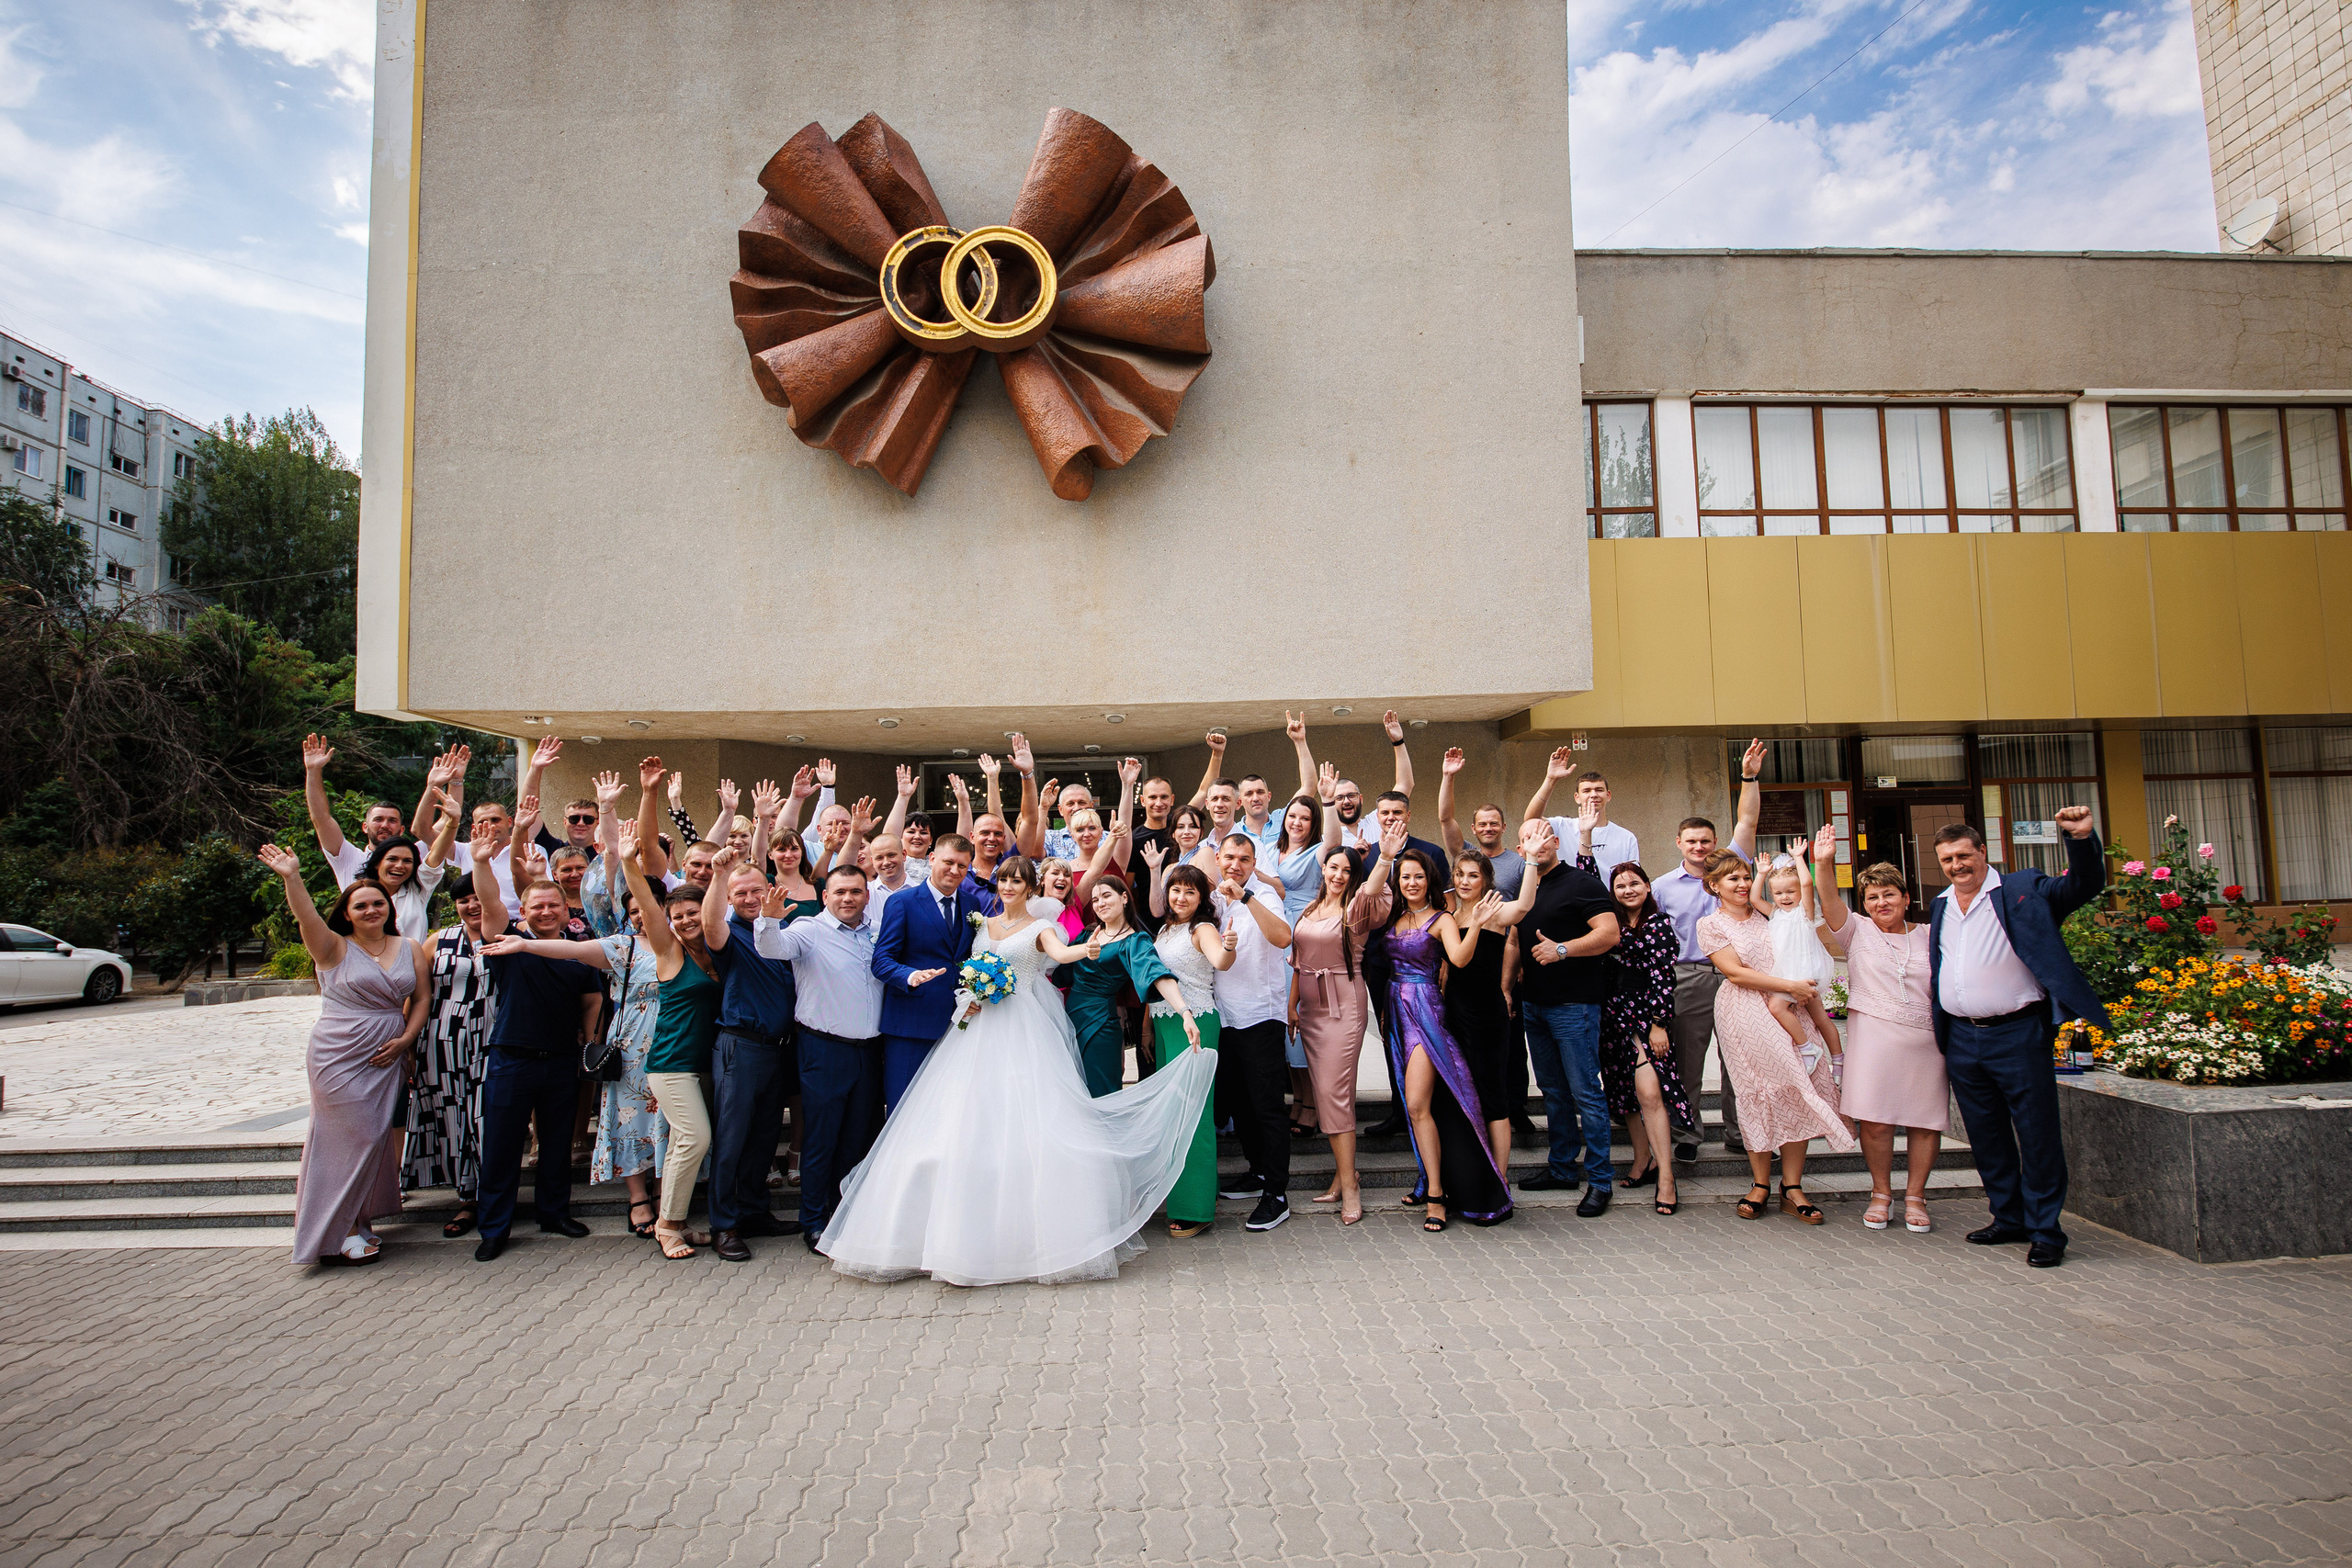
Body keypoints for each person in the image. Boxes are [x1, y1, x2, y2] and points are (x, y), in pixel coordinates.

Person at [816, 858, 1212, 1289]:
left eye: (1017, 881)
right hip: (978, 1024)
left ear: (1030, 887)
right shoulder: (981, 924)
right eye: (1003, 879)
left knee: (1033, 1116)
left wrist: (1087, 950)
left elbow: (1060, 954)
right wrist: (971, 990)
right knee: (963, 1117)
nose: (1008, 886)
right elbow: (969, 966)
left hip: (1024, 1024)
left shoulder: (1041, 926)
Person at [1927, 811, 2109, 1269]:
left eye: (1964, 855)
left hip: (2017, 1033)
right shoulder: (1942, 904)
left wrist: (2081, 838)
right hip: (1964, 1039)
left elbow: (2082, 886)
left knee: (2037, 1134)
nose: (1956, 866)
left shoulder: (2024, 890)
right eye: (1947, 859)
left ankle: (2047, 1231)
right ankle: (2008, 1217)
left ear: (1982, 852)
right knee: (1986, 1137)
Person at [258, 849, 428, 1267]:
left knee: (374, 1140)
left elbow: (422, 998)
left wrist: (406, 1040)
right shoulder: (332, 947)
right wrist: (292, 878)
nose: (371, 909)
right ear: (347, 913)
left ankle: (358, 1221)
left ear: (389, 907)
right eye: (361, 905)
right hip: (338, 1054)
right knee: (351, 1139)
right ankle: (342, 1232)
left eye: (378, 903)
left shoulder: (409, 946)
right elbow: (307, 919)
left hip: (387, 1053)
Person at [1697, 849, 1856, 1226]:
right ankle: (1760, 1183)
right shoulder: (1712, 925)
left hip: (1792, 1008)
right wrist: (1789, 986)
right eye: (1732, 879)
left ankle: (1793, 1186)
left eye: (1745, 876)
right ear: (1714, 885)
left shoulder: (1773, 912)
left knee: (1798, 1088)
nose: (1741, 884)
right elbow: (1735, 973)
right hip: (1746, 1012)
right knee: (1758, 1092)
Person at [468, 852, 605, 1261]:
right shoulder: (508, 944)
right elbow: (491, 905)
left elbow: (593, 999)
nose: (546, 912)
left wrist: (589, 1043)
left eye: (553, 906)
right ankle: (494, 1228)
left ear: (566, 910)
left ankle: (553, 1213)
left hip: (561, 1059)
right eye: (537, 907)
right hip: (512, 1058)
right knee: (502, 1146)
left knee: (557, 1143)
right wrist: (480, 864)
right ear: (523, 912)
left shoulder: (578, 952)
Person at [1812, 829, 1945, 1235]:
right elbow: (1829, 897)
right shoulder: (1854, 931)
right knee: (1876, 1122)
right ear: (1864, 905)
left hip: (1925, 1041)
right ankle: (1882, 1193)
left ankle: (1917, 1197)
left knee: (1924, 1122)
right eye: (1872, 897)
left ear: (1906, 899)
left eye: (1889, 895)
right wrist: (1824, 861)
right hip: (1873, 1040)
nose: (1881, 903)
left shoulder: (1930, 935)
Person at [753, 863, 890, 1247]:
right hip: (824, 1049)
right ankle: (813, 1220)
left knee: (857, 1140)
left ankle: (843, 1214)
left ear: (866, 895)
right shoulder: (808, 930)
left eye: (856, 892)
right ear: (825, 896)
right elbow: (771, 949)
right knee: (822, 1139)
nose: (848, 898)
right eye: (840, 892)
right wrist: (767, 919)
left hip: (870, 1052)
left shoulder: (878, 933)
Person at [1381, 846, 1513, 1230]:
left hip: (1426, 1014)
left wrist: (1475, 924)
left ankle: (1437, 1195)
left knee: (1419, 1102)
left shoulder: (1442, 919)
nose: (1411, 883)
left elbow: (1457, 960)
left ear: (1430, 881)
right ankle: (1430, 1180)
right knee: (1415, 1104)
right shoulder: (1395, 916)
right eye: (1405, 876)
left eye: (1418, 876)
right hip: (1397, 1011)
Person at [1650, 739, 1767, 1162]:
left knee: (1741, 1060)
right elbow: (1655, 941)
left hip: (1740, 976)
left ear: (1716, 841)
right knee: (1688, 1063)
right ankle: (1687, 1135)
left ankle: (1742, 1134)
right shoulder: (1661, 887)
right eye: (1692, 842)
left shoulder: (1733, 867)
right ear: (1679, 843)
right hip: (1691, 977)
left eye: (1706, 841)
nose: (1699, 848)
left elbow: (1748, 820)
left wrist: (1749, 777)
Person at [1509, 818, 1620, 1213]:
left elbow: (1609, 934)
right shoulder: (1525, 889)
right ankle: (1561, 1169)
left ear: (1556, 841)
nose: (1535, 844)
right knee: (1553, 1093)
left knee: (1586, 1093)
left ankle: (1601, 1181)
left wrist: (1563, 950)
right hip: (1534, 1005)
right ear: (1519, 850)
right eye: (1527, 839)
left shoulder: (1581, 883)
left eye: (1542, 836)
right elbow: (1513, 942)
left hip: (1574, 1005)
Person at [1292, 828, 1396, 1224]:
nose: (1338, 875)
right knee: (1329, 1094)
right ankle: (1341, 1174)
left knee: (1333, 1094)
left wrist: (1383, 859)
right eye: (1333, 867)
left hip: (1343, 1005)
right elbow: (1298, 962)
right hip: (1311, 1008)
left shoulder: (1356, 909)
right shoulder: (1309, 908)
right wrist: (1292, 1007)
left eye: (1346, 870)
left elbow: (1373, 893)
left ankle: (1351, 1187)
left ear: (1354, 876)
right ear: (1323, 869)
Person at [1585, 859, 1695, 1216]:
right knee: (1624, 1094)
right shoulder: (1611, 922)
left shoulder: (1660, 925)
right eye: (1620, 885)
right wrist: (1585, 838)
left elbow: (1664, 978)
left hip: (1646, 1016)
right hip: (1611, 1015)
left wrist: (1659, 1022)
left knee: (1650, 1093)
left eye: (1634, 883)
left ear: (1648, 887)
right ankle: (1642, 1161)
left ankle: (1666, 1178)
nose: (1627, 890)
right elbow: (1589, 880)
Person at [1205, 834, 1297, 1232]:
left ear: (1254, 861)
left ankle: (1276, 1194)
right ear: (1219, 859)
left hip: (1261, 1015)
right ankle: (1258, 1172)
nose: (1235, 864)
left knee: (1267, 1107)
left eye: (1244, 858)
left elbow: (1283, 937)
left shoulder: (1263, 895)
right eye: (1229, 857)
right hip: (1224, 1016)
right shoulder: (1213, 899)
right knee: (1239, 1104)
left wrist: (1246, 898)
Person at [871, 832, 996, 1111]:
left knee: (946, 1109)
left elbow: (966, 959)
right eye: (948, 862)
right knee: (904, 1107)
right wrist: (909, 976)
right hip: (910, 1024)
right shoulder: (902, 902)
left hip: (956, 1024)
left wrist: (972, 991)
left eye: (962, 866)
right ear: (932, 858)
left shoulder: (971, 904)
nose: (955, 871)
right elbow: (881, 961)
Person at [407, 880, 495, 1236]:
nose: (473, 905)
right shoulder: (437, 941)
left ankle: (493, 1198)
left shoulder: (505, 934)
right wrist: (408, 1044)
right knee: (454, 1117)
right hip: (443, 1043)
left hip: (492, 1041)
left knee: (487, 1117)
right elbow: (417, 995)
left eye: (478, 897)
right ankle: (466, 1200)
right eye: (464, 900)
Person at [1153, 864, 1232, 1237]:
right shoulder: (1166, 929)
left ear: (1202, 899)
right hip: (1164, 1022)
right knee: (1173, 1115)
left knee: (1195, 1115)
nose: (1180, 898)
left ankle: (1196, 1207)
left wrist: (1229, 950)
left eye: (1189, 892)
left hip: (1196, 1025)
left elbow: (1220, 961)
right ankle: (1188, 1194)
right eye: (1175, 890)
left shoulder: (1203, 929)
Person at [1064, 869, 1189, 1098]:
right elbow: (1060, 970)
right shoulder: (1086, 935)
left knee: (1100, 1092)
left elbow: (1156, 974)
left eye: (1106, 895)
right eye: (1095, 899)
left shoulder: (1134, 941)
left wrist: (1184, 1011)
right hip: (1069, 1019)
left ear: (1124, 897)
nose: (1100, 903)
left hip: (1099, 1025)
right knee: (1070, 1090)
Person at [1439, 847, 1520, 1195]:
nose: (1465, 881)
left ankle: (1500, 1180)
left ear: (1486, 879)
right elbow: (1446, 969)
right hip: (1455, 1014)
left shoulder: (1497, 913)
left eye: (1473, 875)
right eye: (1460, 875)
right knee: (1463, 1096)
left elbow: (1527, 903)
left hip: (1487, 1016)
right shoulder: (1450, 915)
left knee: (1492, 1096)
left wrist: (1529, 861)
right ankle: (1470, 1173)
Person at [1758, 852, 1843, 1071]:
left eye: (1790, 891)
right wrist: (1761, 874)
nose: (1785, 897)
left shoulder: (1804, 914)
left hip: (1805, 973)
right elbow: (1754, 899)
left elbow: (1807, 882)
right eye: (1778, 893)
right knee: (1821, 1018)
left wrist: (1799, 859)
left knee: (1777, 1007)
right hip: (1789, 975)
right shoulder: (1775, 914)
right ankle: (1839, 1061)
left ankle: (1808, 1049)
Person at [300, 733, 410, 888]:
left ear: (402, 830)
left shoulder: (411, 865)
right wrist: (313, 770)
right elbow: (321, 819)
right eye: (378, 819)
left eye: (392, 821)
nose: (385, 825)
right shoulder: (349, 858)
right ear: (365, 826)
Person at [1524, 749, 1639, 885]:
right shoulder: (1563, 826)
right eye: (1587, 791)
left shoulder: (1626, 837)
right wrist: (1551, 779)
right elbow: (1531, 819)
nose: (1594, 795)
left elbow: (1633, 879)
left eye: (1599, 790)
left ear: (1608, 795)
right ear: (1577, 797)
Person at [1436, 748, 1523, 898]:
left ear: (1503, 827)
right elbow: (1446, 819)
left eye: (1494, 824)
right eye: (1482, 824)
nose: (1488, 829)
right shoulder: (1466, 855)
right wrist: (1448, 776)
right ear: (1473, 828)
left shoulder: (1519, 863)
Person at [357, 812, 454, 942]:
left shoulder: (418, 890)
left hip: (414, 961)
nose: (399, 866)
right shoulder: (360, 894)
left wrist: (453, 822)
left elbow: (438, 852)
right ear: (377, 863)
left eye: (407, 861)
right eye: (392, 859)